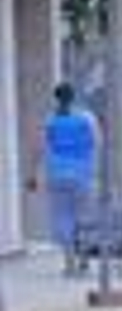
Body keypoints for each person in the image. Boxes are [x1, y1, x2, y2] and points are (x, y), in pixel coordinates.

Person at [30, 82, 99, 276]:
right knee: (83, 217)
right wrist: (95, 172)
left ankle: (69, 263)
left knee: (63, 218)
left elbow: (39, 149)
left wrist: (33, 175)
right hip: (83, 175)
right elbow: (96, 144)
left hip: (57, 175)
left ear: (56, 98)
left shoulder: (50, 121)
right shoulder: (87, 118)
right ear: (74, 96)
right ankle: (84, 259)